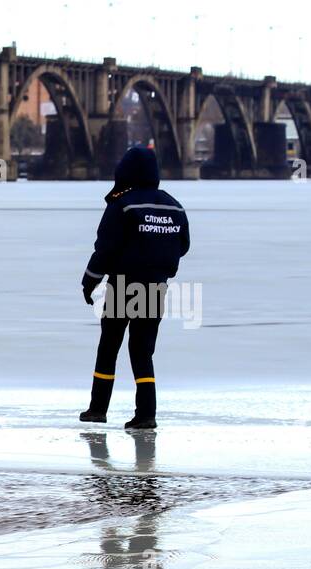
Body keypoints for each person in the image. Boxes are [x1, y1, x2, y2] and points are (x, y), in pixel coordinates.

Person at [79, 145, 190, 429]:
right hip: (156, 288)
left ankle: (97, 409)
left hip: (124, 286)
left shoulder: (123, 204)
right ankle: (146, 414)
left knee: (109, 346)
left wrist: (89, 281)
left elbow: (104, 249)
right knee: (142, 352)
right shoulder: (174, 205)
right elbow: (184, 246)